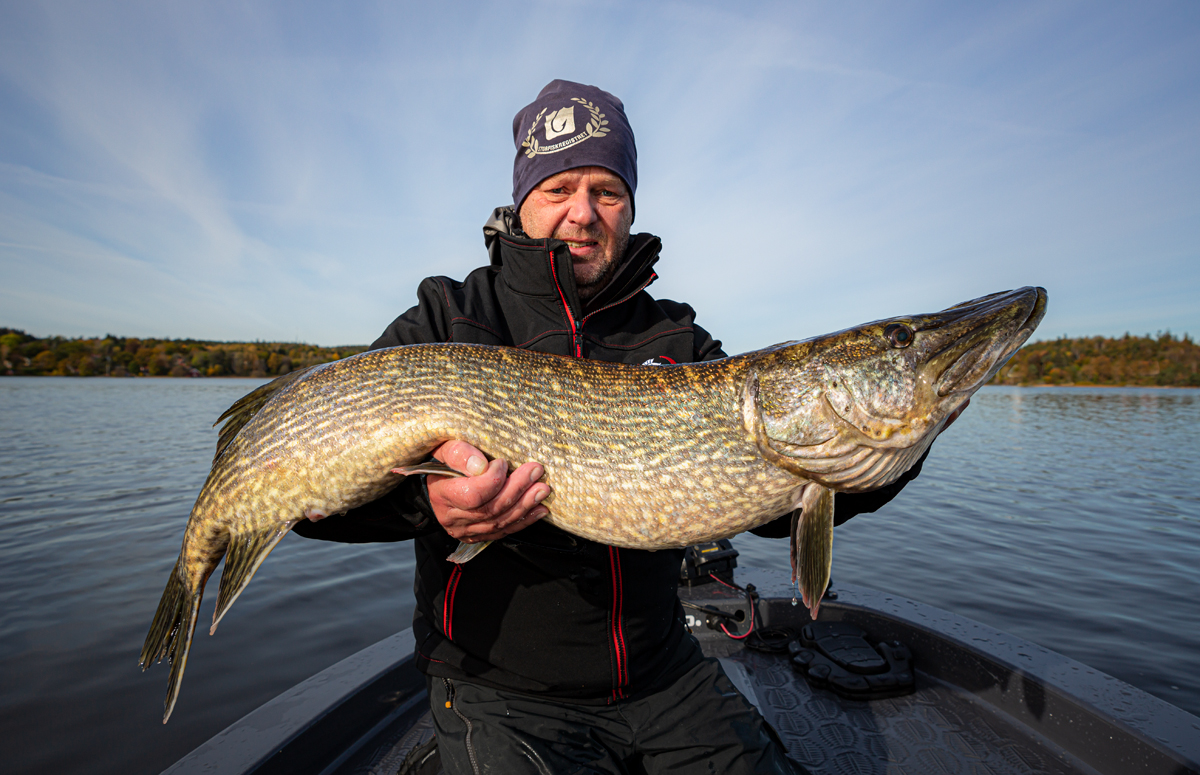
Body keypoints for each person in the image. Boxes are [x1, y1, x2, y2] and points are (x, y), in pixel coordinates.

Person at [294, 80, 938, 775]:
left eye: (607, 190)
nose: (583, 212)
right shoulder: (453, 318)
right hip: (499, 689)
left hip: (664, 675)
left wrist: (897, 441)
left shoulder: (678, 337)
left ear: (629, 205)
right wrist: (432, 504)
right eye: (559, 188)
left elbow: (781, 505)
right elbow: (304, 499)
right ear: (522, 201)